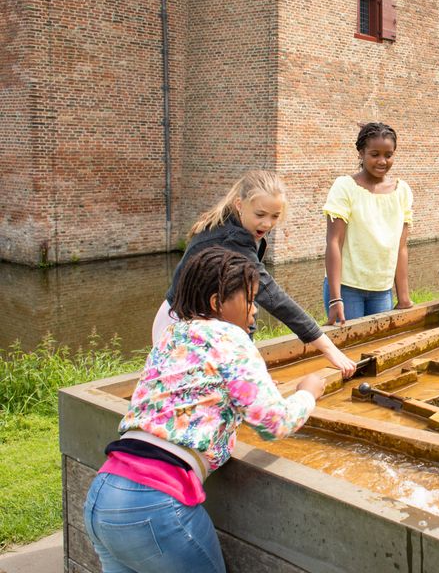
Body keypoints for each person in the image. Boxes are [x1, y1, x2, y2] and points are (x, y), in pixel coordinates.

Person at [85, 247, 331, 572]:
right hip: (155, 505)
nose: (255, 311)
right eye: (249, 299)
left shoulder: (172, 334)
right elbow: (273, 422)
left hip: (103, 495)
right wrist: (307, 394)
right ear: (217, 302)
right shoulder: (230, 336)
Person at [152, 170, 355, 376]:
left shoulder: (237, 224)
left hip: (205, 324)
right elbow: (272, 297)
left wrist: (251, 372)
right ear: (240, 204)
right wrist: (328, 348)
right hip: (180, 325)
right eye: (260, 215)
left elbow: (246, 303)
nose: (267, 224)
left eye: (275, 216)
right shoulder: (232, 240)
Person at [323, 122, 413, 324]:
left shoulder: (402, 191)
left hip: (381, 289)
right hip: (347, 288)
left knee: (378, 351)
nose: (382, 161)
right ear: (361, 153)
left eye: (388, 155)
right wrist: (335, 298)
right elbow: (334, 242)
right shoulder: (345, 187)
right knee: (350, 351)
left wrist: (404, 297)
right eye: (375, 154)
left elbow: (401, 247)